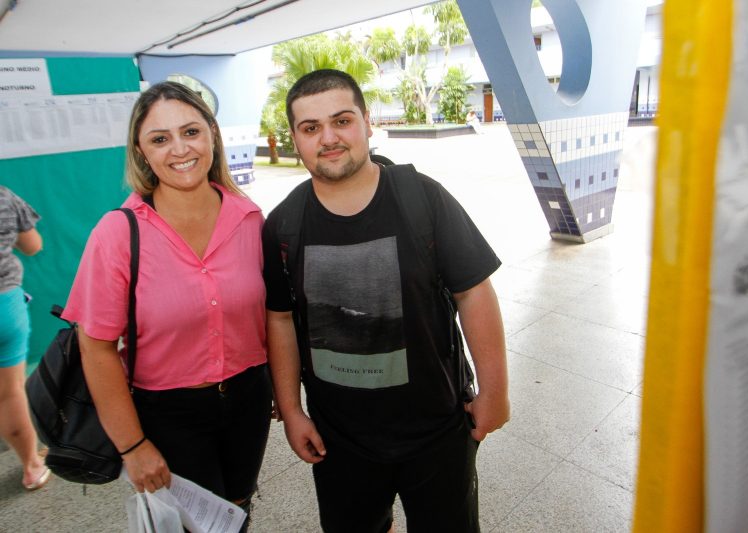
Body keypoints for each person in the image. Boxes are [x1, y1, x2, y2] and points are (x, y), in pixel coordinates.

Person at [262, 69, 510, 533]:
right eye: (311, 128)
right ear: (295, 139)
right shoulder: (283, 225)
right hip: (340, 440)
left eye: (342, 120)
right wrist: (292, 411)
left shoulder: (422, 198)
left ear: (367, 123)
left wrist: (496, 392)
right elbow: (279, 320)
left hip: (437, 429)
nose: (329, 137)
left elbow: (473, 290)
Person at [62, 82, 271, 530]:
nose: (180, 148)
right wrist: (133, 446)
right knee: (192, 525)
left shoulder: (249, 217)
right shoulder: (118, 233)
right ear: (141, 153)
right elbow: (95, 348)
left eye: (191, 131)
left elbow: (271, 315)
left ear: (212, 135)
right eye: (160, 139)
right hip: (167, 413)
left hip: (249, 400)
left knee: (235, 513)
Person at [0, 186, 50, 491]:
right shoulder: (4, 196)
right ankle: (32, 465)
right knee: (9, 394)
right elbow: (32, 245)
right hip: (5, 305)